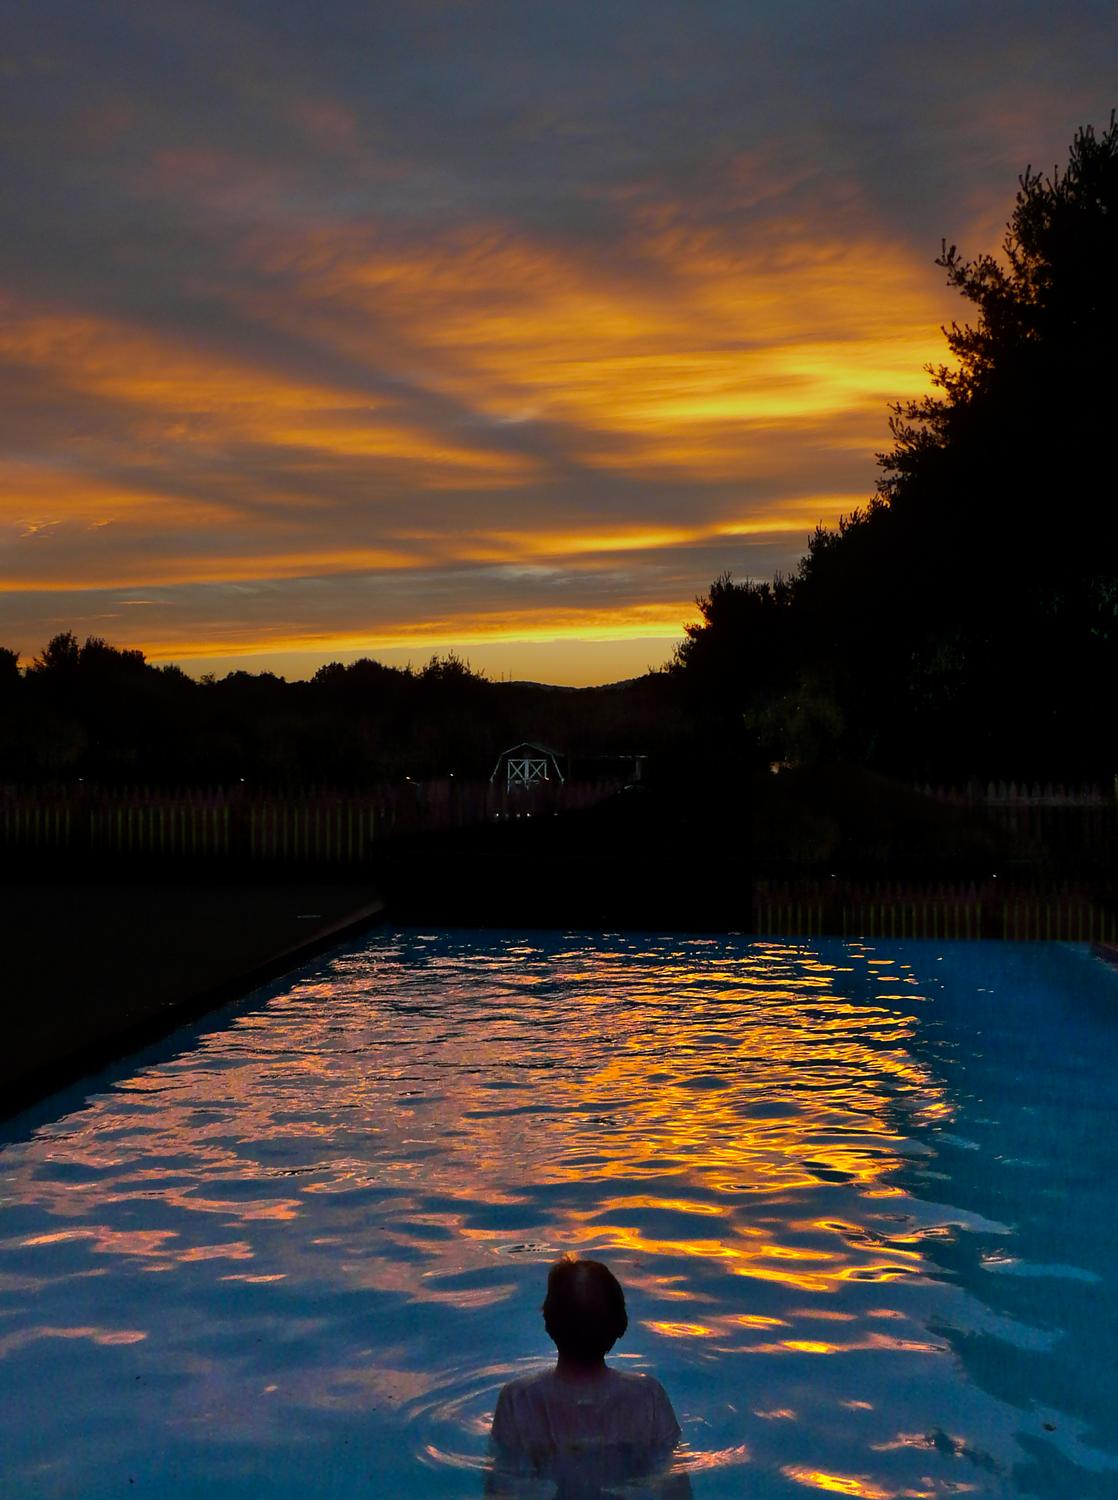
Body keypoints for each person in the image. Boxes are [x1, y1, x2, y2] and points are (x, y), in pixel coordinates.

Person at [487, 1255, 691, 1497]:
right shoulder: (647, 1396)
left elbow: (502, 1490)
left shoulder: (518, 1399)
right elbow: (675, 1489)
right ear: (620, 1325)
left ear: (549, 1323)